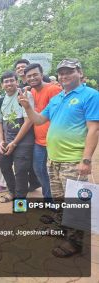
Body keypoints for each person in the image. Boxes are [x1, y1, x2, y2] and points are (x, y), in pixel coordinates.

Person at [18, 58, 99, 257]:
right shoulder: (57, 98)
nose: (64, 76)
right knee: (60, 199)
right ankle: (63, 230)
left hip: (73, 160)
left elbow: (94, 129)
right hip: (53, 159)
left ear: (79, 72)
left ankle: (74, 243)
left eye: (69, 72)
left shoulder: (90, 95)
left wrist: (86, 160)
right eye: (61, 73)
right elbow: (39, 120)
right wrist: (27, 106)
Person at [24, 63, 62, 201]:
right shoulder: (32, 92)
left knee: (55, 173)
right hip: (39, 140)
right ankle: (48, 196)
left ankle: (57, 199)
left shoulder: (54, 89)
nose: (32, 78)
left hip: (53, 140)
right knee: (39, 169)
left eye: (35, 74)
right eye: (29, 76)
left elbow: (59, 115)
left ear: (41, 74)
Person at [0, 71, 35, 202]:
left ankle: (20, 200)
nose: (9, 83)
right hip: (7, 139)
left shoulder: (25, 95)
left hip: (24, 140)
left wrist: (15, 142)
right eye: (6, 81)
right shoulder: (0, 100)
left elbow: (29, 120)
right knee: (4, 165)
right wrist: (1, 141)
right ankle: (12, 192)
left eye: (12, 80)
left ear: (16, 82)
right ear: (2, 85)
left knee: (21, 170)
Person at [14, 59, 41, 192]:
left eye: (23, 67)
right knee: (31, 159)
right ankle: (35, 182)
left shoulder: (39, 82)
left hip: (40, 126)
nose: (21, 69)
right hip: (31, 126)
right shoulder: (20, 86)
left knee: (36, 162)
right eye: (18, 68)